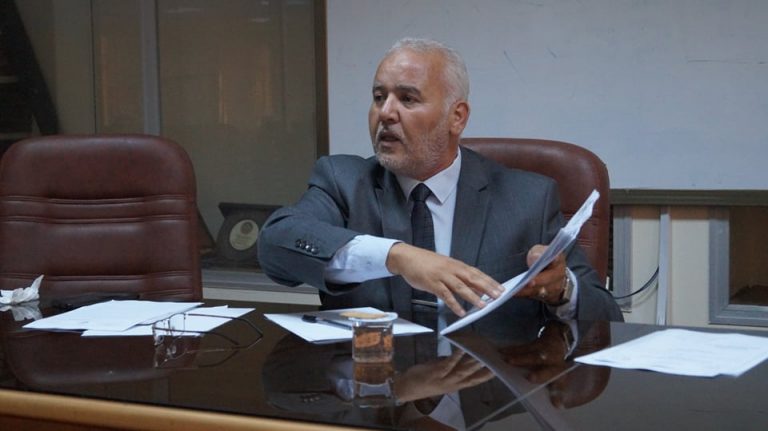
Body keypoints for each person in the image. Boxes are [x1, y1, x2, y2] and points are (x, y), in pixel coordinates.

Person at [257, 37, 622, 326]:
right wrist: (398, 256)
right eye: (379, 97)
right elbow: (275, 243)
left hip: (483, 390)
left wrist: (562, 290)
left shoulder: (528, 198)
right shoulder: (345, 182)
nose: (386, 113)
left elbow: (607, 317)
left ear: (456, 117)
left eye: (407, 98)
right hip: (373, 385)